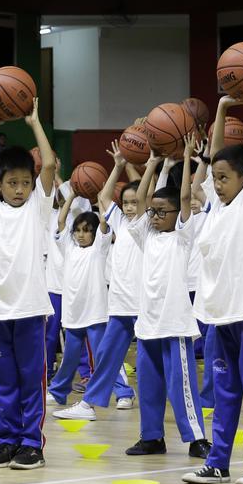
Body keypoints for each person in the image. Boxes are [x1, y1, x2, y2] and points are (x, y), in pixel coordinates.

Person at [181, 74, 243, 484]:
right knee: (223, 394)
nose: (218, 184)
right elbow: (216, 152)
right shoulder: (216, 209)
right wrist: (221, 108)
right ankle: (218, 463)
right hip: (217, 314)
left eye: (225, 178)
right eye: (216, 178)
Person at [0, 100, 57, 469]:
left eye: (25, 183)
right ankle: (7, 440)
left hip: (30, 308)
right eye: (12, 183)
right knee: (1, 378)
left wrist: (34, 122)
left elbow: (48, 165)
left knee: (29, 378)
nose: (20, 189)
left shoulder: (38, 209)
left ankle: (31, 443)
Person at [125, 139, 208, 458]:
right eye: (153, 211)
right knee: (148, 386)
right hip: (148, 325)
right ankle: (152, 437)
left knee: (181, 386)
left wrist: (185, 156)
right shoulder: (146, 235)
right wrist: (151, 163)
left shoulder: (183, 237)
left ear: (176, 214)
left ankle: (196, 438)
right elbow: (142, 197)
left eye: (162, 212)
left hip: (175, 325)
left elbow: (185, 196)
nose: (155, 216)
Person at [54, 144, 141, 421]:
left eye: (86, 230)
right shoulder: (69, 247)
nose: (81, 235)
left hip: (98, 312)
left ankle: (124, 392)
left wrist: (120, 167)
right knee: (72, 357)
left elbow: (104, 212)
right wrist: (72, 194)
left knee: (105, 356)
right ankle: (59, 391)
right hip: (75, 312)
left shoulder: (100, 246)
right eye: (78, 231)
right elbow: (62, 221)